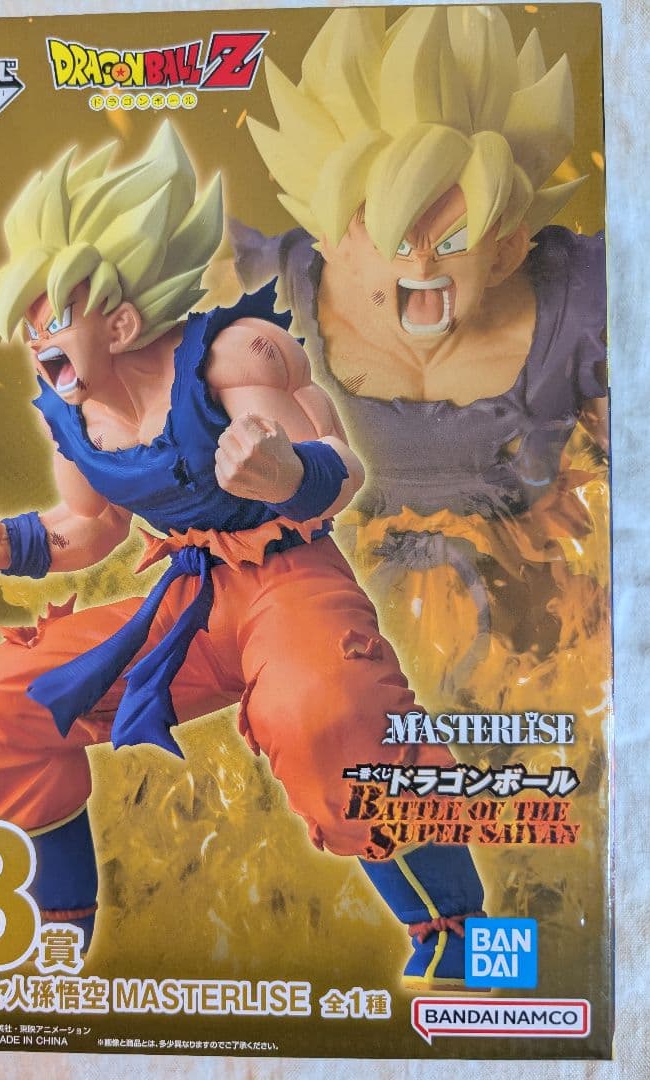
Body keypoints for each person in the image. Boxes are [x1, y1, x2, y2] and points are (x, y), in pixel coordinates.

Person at [0, 121, 487, 990]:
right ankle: (54, 933)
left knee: (327, 716)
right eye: (29, 327)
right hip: (190, 600)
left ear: (120, 319)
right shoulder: (72, 414)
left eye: (54, 320)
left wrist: (284, 474)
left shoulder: (231, 359)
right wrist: (10, 541)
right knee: (2, 698)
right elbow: (91, 529)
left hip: (290, 583)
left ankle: (455, 929)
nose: (38, 344)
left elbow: (337, 470)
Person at [240, 5, 608, 697]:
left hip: (536, 635)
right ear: (335, 243)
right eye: (393, 236)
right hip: (332, 627)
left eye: (452, 238)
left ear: (507, 247)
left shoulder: (585, 294)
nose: (421, 261)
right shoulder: (264, 287)